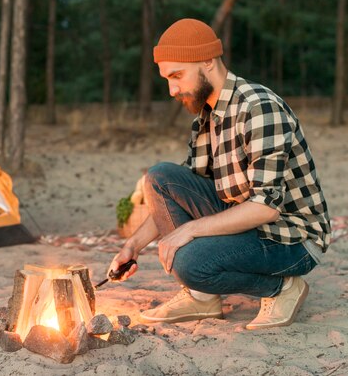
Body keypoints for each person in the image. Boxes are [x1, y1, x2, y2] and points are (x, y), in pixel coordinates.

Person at [108, 18, 331, 330]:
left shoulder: (258, 107)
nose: (172, 90)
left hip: (290, 237)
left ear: (208, 62)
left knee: (189, 262)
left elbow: (266, 207)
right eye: (167, 79)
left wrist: (191, 230)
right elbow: (178, 194)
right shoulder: (207, 116)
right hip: (244, 218)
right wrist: (133, 245)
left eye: (177, 76)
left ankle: (282, 288)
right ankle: (203, 297)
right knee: (159, 178)